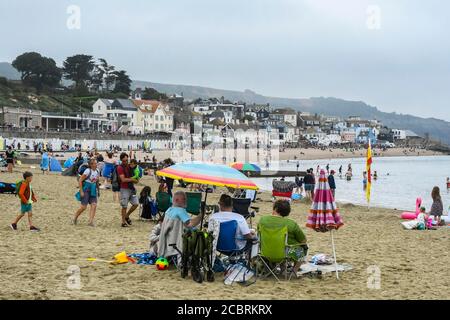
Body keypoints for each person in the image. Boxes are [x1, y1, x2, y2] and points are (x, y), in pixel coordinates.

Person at [258, 200, 307, 274]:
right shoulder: (291, 224)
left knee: (278, 244)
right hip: (284, 254)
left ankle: (282, 267)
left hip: (265, 252)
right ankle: (294, 271)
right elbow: (303, 240)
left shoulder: (263, 220)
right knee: (302, 248)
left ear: (275, 209)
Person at [73, 159, 100, 226]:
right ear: (91, 165)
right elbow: (80, 180)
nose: (96, 164)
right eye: (95, 163)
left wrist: (98, 190)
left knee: (94, 205)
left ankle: (90, 221)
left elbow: (97, 181)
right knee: (83, 207)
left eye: (96, 163)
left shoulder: (97, 171)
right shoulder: (87, 171)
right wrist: (81, 191)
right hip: (86, 189)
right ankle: (75, 218)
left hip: (93, 188)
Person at [117, 152, 139, 227]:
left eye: (126, 160)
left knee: (136, 204)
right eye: (124, 161)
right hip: (124, 189)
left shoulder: (130, 166)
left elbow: (136, 175)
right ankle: (123, 222)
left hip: (131, 188)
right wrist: (133, 180)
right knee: (124, 206)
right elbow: (123, 179)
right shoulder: (120, 168)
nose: (125, 162)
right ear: (121, 160)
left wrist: (136, 178)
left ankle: (126, 215)